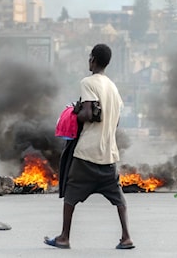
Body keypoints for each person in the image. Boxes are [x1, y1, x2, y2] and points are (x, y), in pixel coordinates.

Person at [44, 44, 134, 249]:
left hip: (87, 153)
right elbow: (115, 120)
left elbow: (87, 114)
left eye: (89, 58)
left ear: (93, 59)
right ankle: (126, 237)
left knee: (71, 193)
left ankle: (64, 237)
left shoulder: (88, 82)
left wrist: (74, 112)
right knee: (118, 197)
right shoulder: (113, 87)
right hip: (109, 154)